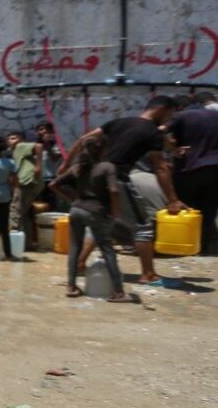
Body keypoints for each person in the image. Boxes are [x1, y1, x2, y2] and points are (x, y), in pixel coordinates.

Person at [75, 95, 184, 287]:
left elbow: (85, 139)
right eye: (169, 115)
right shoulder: (152, 132)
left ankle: (80, 263)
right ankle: (148, 275)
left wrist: (66, 164)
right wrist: (173, 200)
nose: (168, 120)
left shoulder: (120, 122)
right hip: (116, 179)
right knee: (143, 227)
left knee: (103, 221)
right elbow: (160, 167)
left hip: (94, 176)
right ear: (162, 109)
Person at [52, 135, 133, 303]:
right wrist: (115, 213)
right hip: (98, 212)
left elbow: (53, 185)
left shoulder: (77, 168)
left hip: (76, 211)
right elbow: (114, 191)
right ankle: (118, 292)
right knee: (107, 250)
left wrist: (72, 200)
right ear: (103, 150)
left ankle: (71, 286)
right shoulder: (107, 167)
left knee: (75, 247)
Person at [168, 94, 218, 253]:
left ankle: (184, 244)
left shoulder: (180, 116)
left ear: (178, 108)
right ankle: (202, 246)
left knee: (186, 205)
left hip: (190, 168)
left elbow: (161, 132)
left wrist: (173, 149)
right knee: (209, 208)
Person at [8, 130, 43, 252]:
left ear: (21, 139)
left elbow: (38, 146)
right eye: (10, 139)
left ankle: (14, 246)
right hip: (30, 182)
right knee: (24, 214)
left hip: (25, 182)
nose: (11, 141)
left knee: (15, 212)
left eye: (14, 138)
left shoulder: (20, 146)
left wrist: (39, 165)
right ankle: (26, 243)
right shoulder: (14, 151)